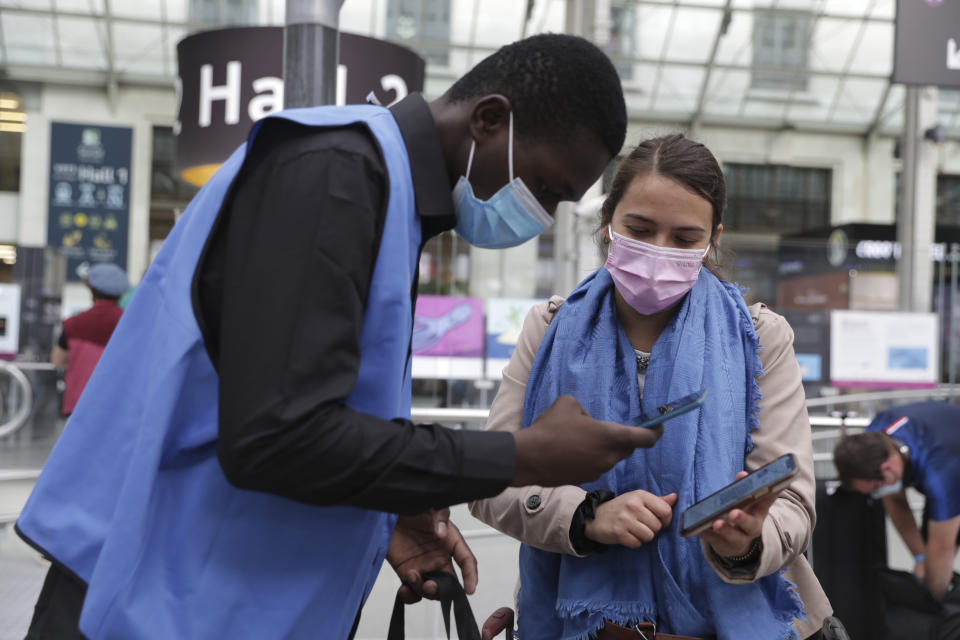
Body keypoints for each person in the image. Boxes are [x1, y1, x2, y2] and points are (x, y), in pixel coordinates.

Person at [16, 34, 666, 640]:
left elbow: (293, 411)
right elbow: (277, 437)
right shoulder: (337, 175)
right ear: (489, 121)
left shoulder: (382, 197)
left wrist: (381, 513)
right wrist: (521, 455)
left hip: (204, 594)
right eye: (546, 188)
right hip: (149, 596)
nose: (539, 214)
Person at [470, 134, 832, 639]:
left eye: (685, 239)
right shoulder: (548, 328)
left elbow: (792, 502)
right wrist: (585, 517)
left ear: (713, 238)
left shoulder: (761, 338)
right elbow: (491, 480)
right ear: (607, 223)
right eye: (640, 229)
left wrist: (746, 541)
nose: (660, 251)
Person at [834, 401, 960, 600]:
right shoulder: (873, 437)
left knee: (939, 559)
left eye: (876, 488)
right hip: (939, 438)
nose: (879, 493)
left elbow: (943, 548)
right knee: (930, 559)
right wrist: (920, 557)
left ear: (887, 469)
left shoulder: (941, 475)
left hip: (950, 456)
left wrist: (932, 608)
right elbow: (895, 502)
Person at [50, 263, 129, 416]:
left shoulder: (73, 324)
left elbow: (57, 360)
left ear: (91, 291)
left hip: (78, 403)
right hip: (117, 405)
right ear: (120, 294)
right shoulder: (130, 323)